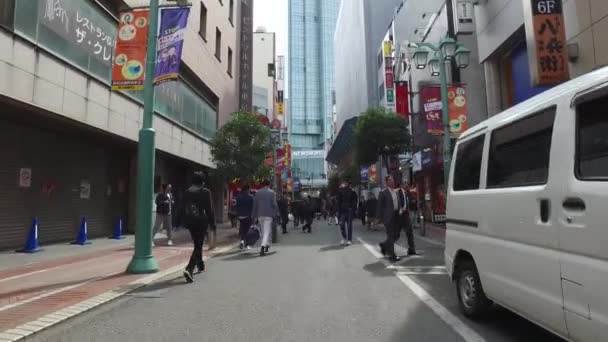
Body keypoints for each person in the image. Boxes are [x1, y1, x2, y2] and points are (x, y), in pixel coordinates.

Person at [181, 172, 215, 283]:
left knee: (197, 244)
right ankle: (189, 268)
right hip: (201, 222)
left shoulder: (186, 192)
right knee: (198, 245)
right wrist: (212, 224)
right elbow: (209, 210)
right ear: (202, 182)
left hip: (190, 222)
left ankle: (200, 265)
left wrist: (178, 222)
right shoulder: (205, 192)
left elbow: (182, 207)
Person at [377, 175, 401, 262]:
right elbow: (379, 206)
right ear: (386, 182)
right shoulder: (383, 192)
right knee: (390, 236)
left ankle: (384, 245)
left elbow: (397, 203)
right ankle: (392, 255)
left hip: (396, 216)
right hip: (388, 217)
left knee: (397, 235)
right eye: (390, 180)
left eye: (393, 180)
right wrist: (379, 218)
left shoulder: (396, 191)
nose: (392, 181)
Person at [252, 179, 278, 256]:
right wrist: (276, 213)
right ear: (269, 184)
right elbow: (274, 204)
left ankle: (266, 245)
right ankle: (262, 248)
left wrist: (253, 215)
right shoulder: (272, 193)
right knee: (266, 232)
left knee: (263, 231)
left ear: (263, 184)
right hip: (268, 215)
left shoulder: (258, 192)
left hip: (260, 214)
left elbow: (255, 205)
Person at [395, 182, 417, 256]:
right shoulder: (397, 192)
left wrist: (412, 201)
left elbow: (411, 201)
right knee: (396, 234)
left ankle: (412, 249)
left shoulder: (408, 193)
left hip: (405, 215)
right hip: (398, 215)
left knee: (409, 232)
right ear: (401, 185)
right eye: (405, 184)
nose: (407, 185)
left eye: (407, 184)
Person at [235, 185, 254, 250]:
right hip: (248, 216)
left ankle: (242, 241)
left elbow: (236, 206)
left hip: (240, 216)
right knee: (247, 230)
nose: (250, 190)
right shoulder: (250, 197)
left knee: (242, 228)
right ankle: (246, 244)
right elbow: (252, 207)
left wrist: (237, 214)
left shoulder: (238, 197)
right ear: (247, 190)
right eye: (249, 189)